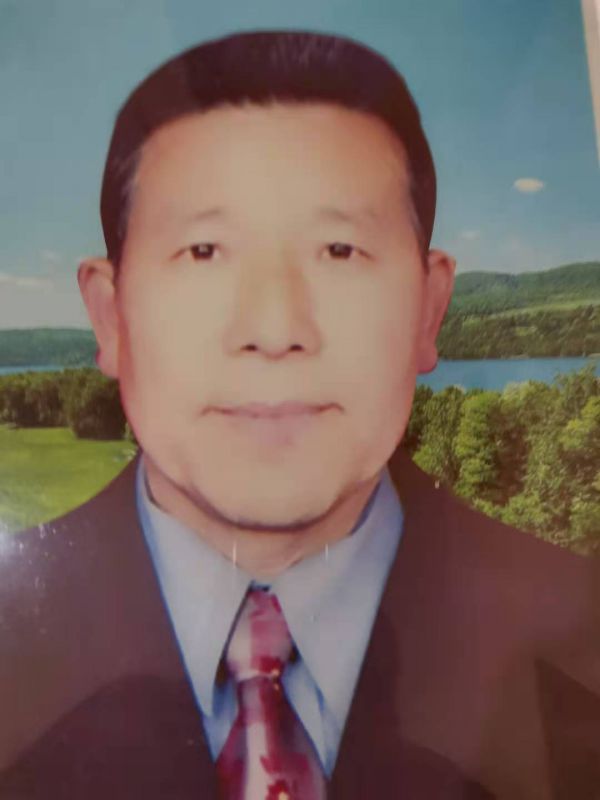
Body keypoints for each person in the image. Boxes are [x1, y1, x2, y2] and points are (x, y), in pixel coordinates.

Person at [0, 31, 598, 799]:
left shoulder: (581, 635)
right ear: (110, 316)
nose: (276, 328)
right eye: (204, 250)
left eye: (340, 250)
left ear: (430, 307)